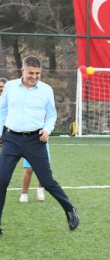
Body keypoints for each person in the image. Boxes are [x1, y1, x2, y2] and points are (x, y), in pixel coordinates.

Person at [0, 56, 79, 235]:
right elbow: (2, 110)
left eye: (37, 73)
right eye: (31, 73)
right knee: (2, 181)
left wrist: (47, 130)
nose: (34, 77)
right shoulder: (10, 86)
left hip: (36, 141)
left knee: (48, 182)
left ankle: (70, 210)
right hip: (11, 139)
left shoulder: (46, 90)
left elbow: (51, 115)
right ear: (22, 71)